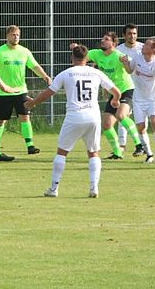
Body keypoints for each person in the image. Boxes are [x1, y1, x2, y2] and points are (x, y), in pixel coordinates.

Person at [26, 44, 120, 198]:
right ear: (86, 58)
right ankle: (94, 187)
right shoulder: (96, 73)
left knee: (62, 152)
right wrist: (115, 100)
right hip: (93, 117)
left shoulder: (66, 74)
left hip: (74, 117)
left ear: (72, 58)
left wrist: (32, 103)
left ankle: (54, 188)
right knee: (93, 153)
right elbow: (116, 91)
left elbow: (48, 93)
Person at [80, 32, 144, 159]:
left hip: (126, 89)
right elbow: (81, 58)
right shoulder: (96, 53)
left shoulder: (119, 56)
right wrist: (77, 48)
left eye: (106, 39)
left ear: (114, 43)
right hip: (114, 92)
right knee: (106, 124)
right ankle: (117, 153)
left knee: (121, 115)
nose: (102, 41)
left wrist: (126, 63)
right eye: (103, 38)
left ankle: (139, 145)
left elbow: (130, 71)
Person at [0, 25, 51, 155]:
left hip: (21, 91)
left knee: (25, 117)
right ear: (7, 36)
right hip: (4, 92)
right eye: (13, 35)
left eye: (18, 35)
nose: (16, 37)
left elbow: (34, 66)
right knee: (1, 120)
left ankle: (30, 146)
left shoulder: (24, 51)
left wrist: (45, 76)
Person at [115, 24, 143, 152]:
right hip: (126, 88)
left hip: (141, 88)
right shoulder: (119, 50)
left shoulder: (143, 48)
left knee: (141, 119)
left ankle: (142, 145)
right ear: (124, 35)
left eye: (134, 33)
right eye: (129, 33)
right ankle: (122, 145)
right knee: (122, 115)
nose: (132, 36)